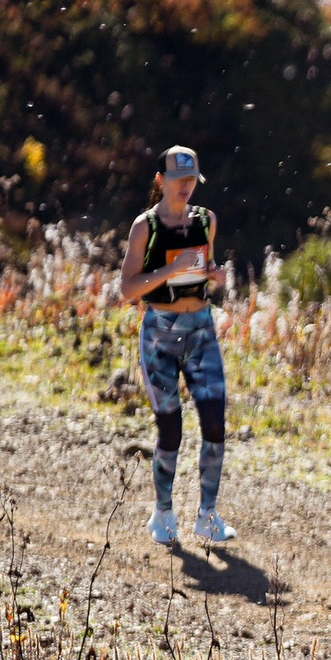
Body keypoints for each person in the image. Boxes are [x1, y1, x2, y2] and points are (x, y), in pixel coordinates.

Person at [117, 145, 235, 546]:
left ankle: (208, 515)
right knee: (171, 430)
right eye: (178, 179)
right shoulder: (144, 227)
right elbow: (128, 288)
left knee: (216, 424)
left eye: (191, 180)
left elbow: (203, 270)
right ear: (160, 180)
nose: (185, 187)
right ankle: (163, 513)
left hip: (201, 329)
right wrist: (169, 269)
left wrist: (214, 275)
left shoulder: (207, 220)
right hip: (159, 334)